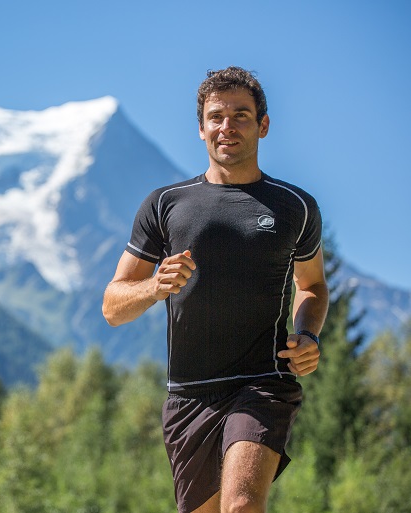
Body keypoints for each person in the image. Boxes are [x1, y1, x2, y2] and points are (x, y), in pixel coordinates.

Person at [102, 66, 329, 513]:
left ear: (263, 125)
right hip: (189, 394)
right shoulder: (165, 204)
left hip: (263, 382)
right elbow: (113, 305)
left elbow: (313, 285)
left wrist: (308, 334)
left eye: (241, 115)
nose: (227, 127)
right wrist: (154, 287)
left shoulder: (294, 206)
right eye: (216, 116)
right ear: (201, 127)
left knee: (241, 505)